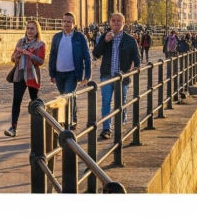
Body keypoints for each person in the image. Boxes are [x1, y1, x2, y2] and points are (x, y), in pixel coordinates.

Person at [93, 12, 141, 140]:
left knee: (121, 101)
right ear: (110, 23)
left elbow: (137, 57)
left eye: (118, 21)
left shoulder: (130, 40)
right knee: (106, 102)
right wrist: (105, 41)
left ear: (123, 23)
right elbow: (96, 53)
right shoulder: (105, 36)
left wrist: (137, 67)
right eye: (113, 21)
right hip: (107, 76)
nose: (115, 23)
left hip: (122, 77)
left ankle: (120, 122)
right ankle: (106, 128)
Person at [48, 12, 92, 129]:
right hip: (59, 74)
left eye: (69, 21)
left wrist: (87, 76)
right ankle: (72, 119)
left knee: (67, 97)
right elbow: (52, 55)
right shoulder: (57, 37)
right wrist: (51, 74)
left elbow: (87, 57)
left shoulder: (80, 37)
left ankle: (67, 124)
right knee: (65, 97)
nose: (66, 24)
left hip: (72, 73)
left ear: (74, 23)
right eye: (64, 21)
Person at [4, 20, 46, 137]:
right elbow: (12, 58)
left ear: (37, 31)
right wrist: (15, 56)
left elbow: (41, 61)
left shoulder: (40, 44)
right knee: (16, 101)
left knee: (34, 101)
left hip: (32, 75)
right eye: (28, 28)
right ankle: (13, 128)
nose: (30, 31)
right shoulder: (20, 42)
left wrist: (28, 53)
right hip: (20, 74)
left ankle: (39, 127)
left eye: (32, 29)